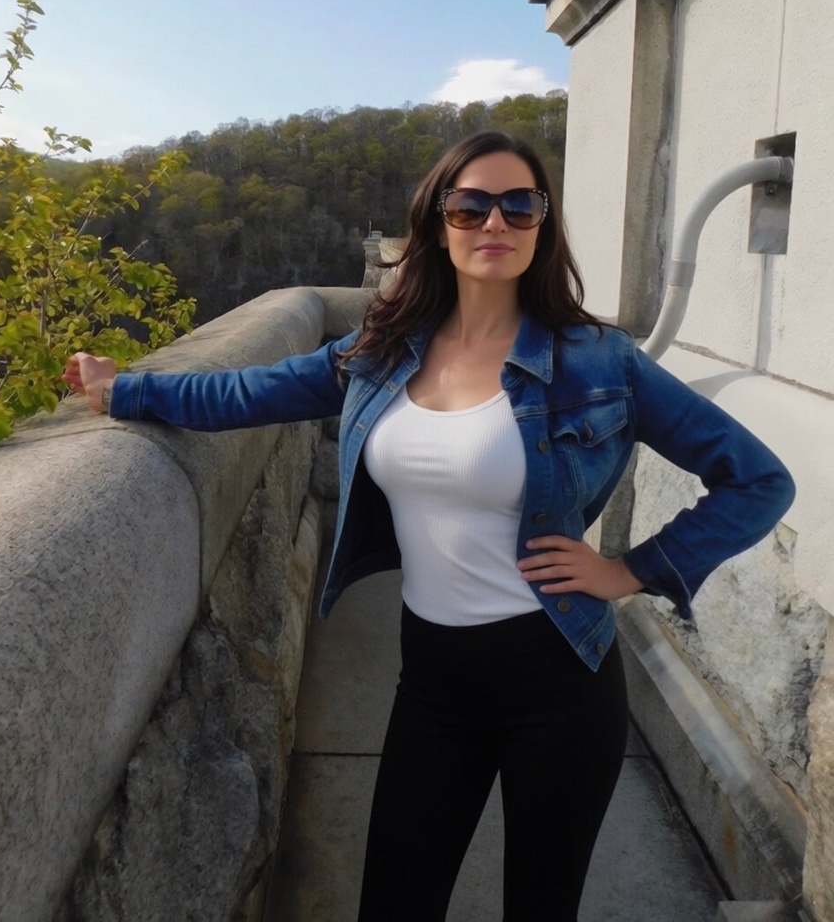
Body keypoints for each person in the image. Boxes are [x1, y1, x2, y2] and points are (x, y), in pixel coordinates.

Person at [64, 130, 795, 921]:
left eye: (521, 206)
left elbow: (759, 480)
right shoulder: (379, 352)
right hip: (434, 678)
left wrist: (633, 568)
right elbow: (247, 392)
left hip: (557, 678)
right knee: (395, 902)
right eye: (470, 204)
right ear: (437, 221)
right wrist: (125, 392)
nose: (495, 223)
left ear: (543, 226)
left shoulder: (599, 362)